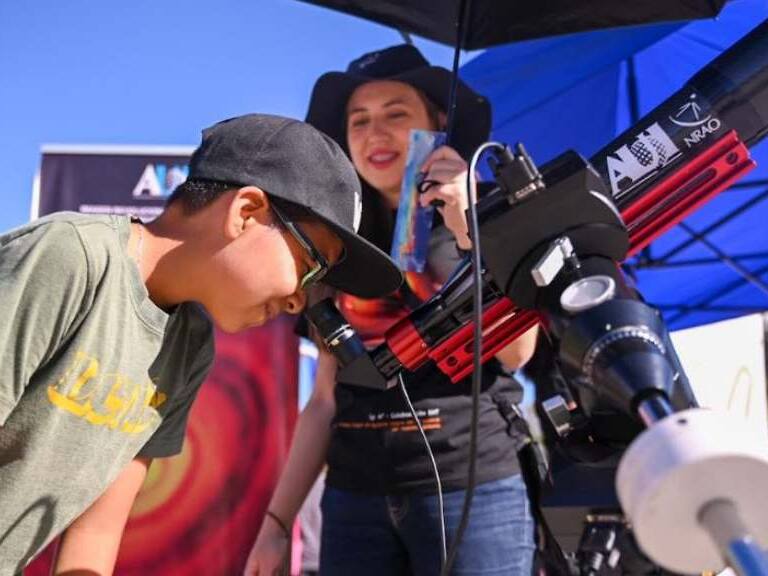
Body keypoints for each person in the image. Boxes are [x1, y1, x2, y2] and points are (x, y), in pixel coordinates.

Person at [0, 113, 401, 574]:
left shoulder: (189, 347)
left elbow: (95, 535)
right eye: (310, 269)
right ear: (245, 213)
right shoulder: (71, 258)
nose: (300, 302)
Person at [245, 46, 538, 576]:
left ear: (438, 122)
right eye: (359, 120)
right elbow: (325, 399)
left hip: (471, 490)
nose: (375, 133)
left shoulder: (489, 209)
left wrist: (468, 225)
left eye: (395, 114)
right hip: (354, 499)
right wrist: (277, 523)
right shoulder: (332, 239)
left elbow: (516, 354)